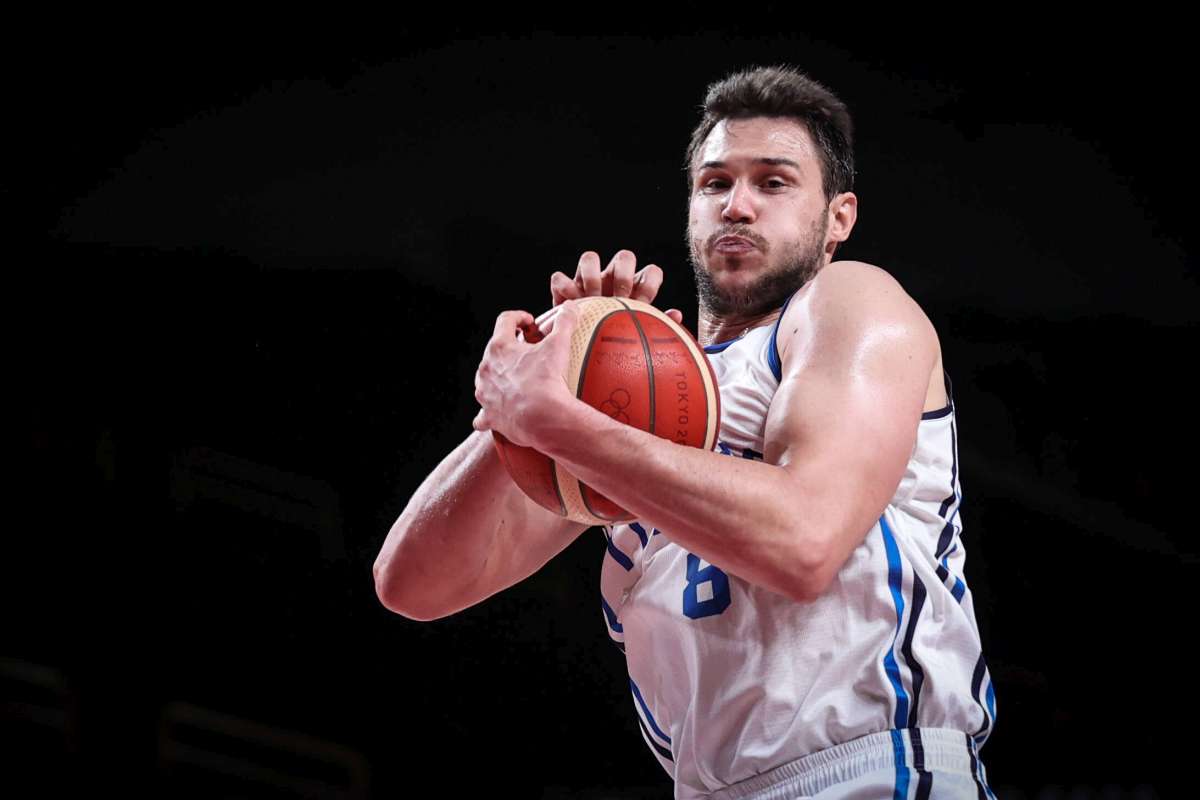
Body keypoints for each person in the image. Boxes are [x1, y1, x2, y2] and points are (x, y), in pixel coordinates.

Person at [375, 64, 998, 799]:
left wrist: (556, 421)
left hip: (870, 771)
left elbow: (804, 542)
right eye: (715, 183)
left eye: (773, 183)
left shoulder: (851, 300)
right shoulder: (640, 408)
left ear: (838, 218)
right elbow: (413, 584)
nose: (737, 205)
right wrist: (537, 390)